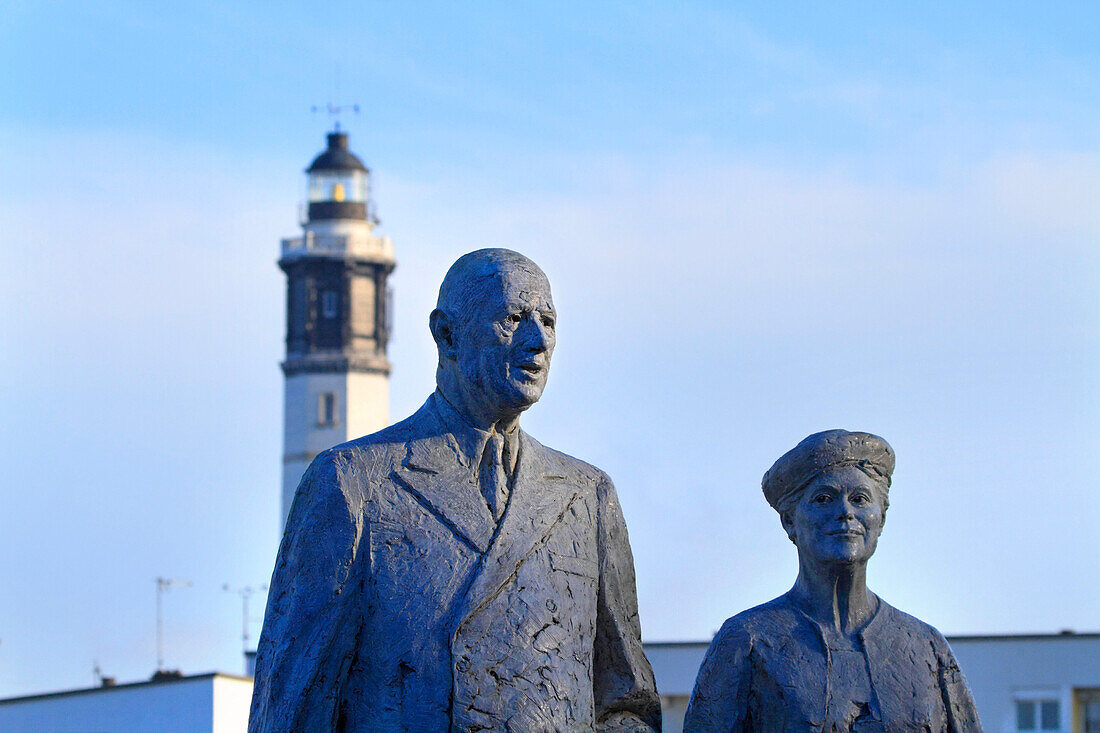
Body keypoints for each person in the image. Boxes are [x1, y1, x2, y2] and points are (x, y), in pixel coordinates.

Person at [249, 249, 661, 732]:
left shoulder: (587, 494)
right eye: (513, 318)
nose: (538, 341)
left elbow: (627, 703)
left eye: (548, 322)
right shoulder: (352, 482)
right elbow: (296, 703)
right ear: (447, 334)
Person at [684, 430, 982, 732]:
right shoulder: (747, 640)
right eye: (824, 499)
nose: (845, 512)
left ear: (881, 518)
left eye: (860, 499)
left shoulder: (925, 646)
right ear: (789, 520)